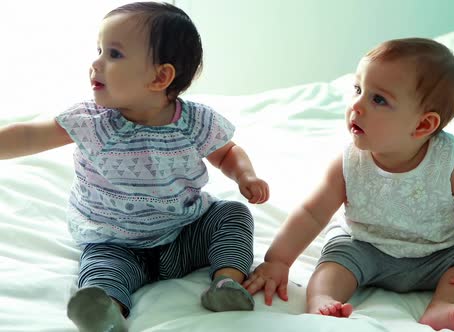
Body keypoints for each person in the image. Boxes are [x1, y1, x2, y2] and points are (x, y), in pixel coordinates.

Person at [0, 2, 269, 331]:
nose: (96, 63)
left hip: (184, 233)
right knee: (101, 270)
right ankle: (106, 311)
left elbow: (227, 152)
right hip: (114, 242)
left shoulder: (195, 122)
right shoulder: (92, 122)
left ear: (160, 77)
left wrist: (245, 175)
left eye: (113, 54)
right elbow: (28, 135)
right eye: (99, 50)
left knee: (232, 214)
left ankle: (226, 283)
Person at [243, 38, 454, 331]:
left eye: (378, 99)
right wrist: (279, 260)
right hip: (364, 245)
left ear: (422, 126)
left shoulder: (449, 160)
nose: (356, 104)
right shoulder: (351, 161)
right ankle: (323, 300)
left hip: (438, 251)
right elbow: (313, 212)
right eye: (358, 89)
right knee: (335, 262)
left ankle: (442, 306)